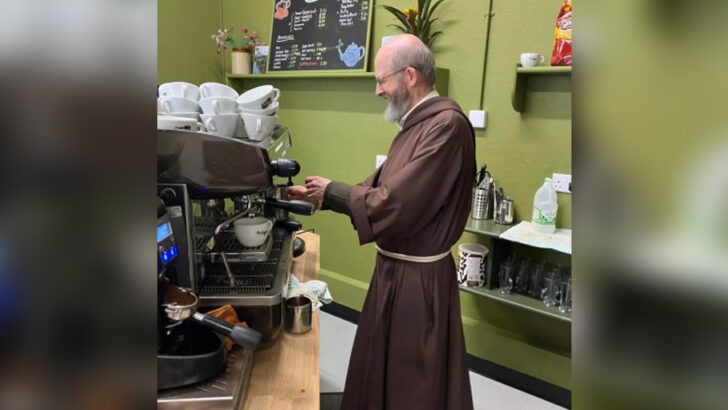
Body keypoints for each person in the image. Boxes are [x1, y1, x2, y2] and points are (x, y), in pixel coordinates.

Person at [288, 34, 475, 410]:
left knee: (412, 380)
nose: (377, 90)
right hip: (394, 271)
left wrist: (336, 192)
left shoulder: (447, 127)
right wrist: (325, 197)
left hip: (418, 284)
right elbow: (380, 184)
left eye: (381, 80)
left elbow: (398, 202)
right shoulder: (414, 126)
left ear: (409, 76)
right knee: (381, 367)